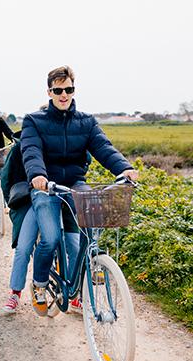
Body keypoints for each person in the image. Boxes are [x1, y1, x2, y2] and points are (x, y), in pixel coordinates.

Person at [21, 65, 139, 316]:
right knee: (51, 238)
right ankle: (39, 284)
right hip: (47, 186)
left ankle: (89, 263)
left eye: (69, 89)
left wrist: (124, 169)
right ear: (49, 92)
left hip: (75, 182)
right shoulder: (34, 121)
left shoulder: (86, 122)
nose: (64, 94)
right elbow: (30, 151)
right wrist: (38, 176)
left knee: (91, 219)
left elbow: (104, 148)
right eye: (58, 90)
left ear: (74, 90)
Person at [0, 131, 83, 315]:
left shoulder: (66, 142)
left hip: (62, 198)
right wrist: (12, 205)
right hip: (32, 202)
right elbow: (6, 178)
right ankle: (15, 293)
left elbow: (84, 158)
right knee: (24, 247)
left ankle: (74, 293)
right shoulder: (22, 146)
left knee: (75, 246)